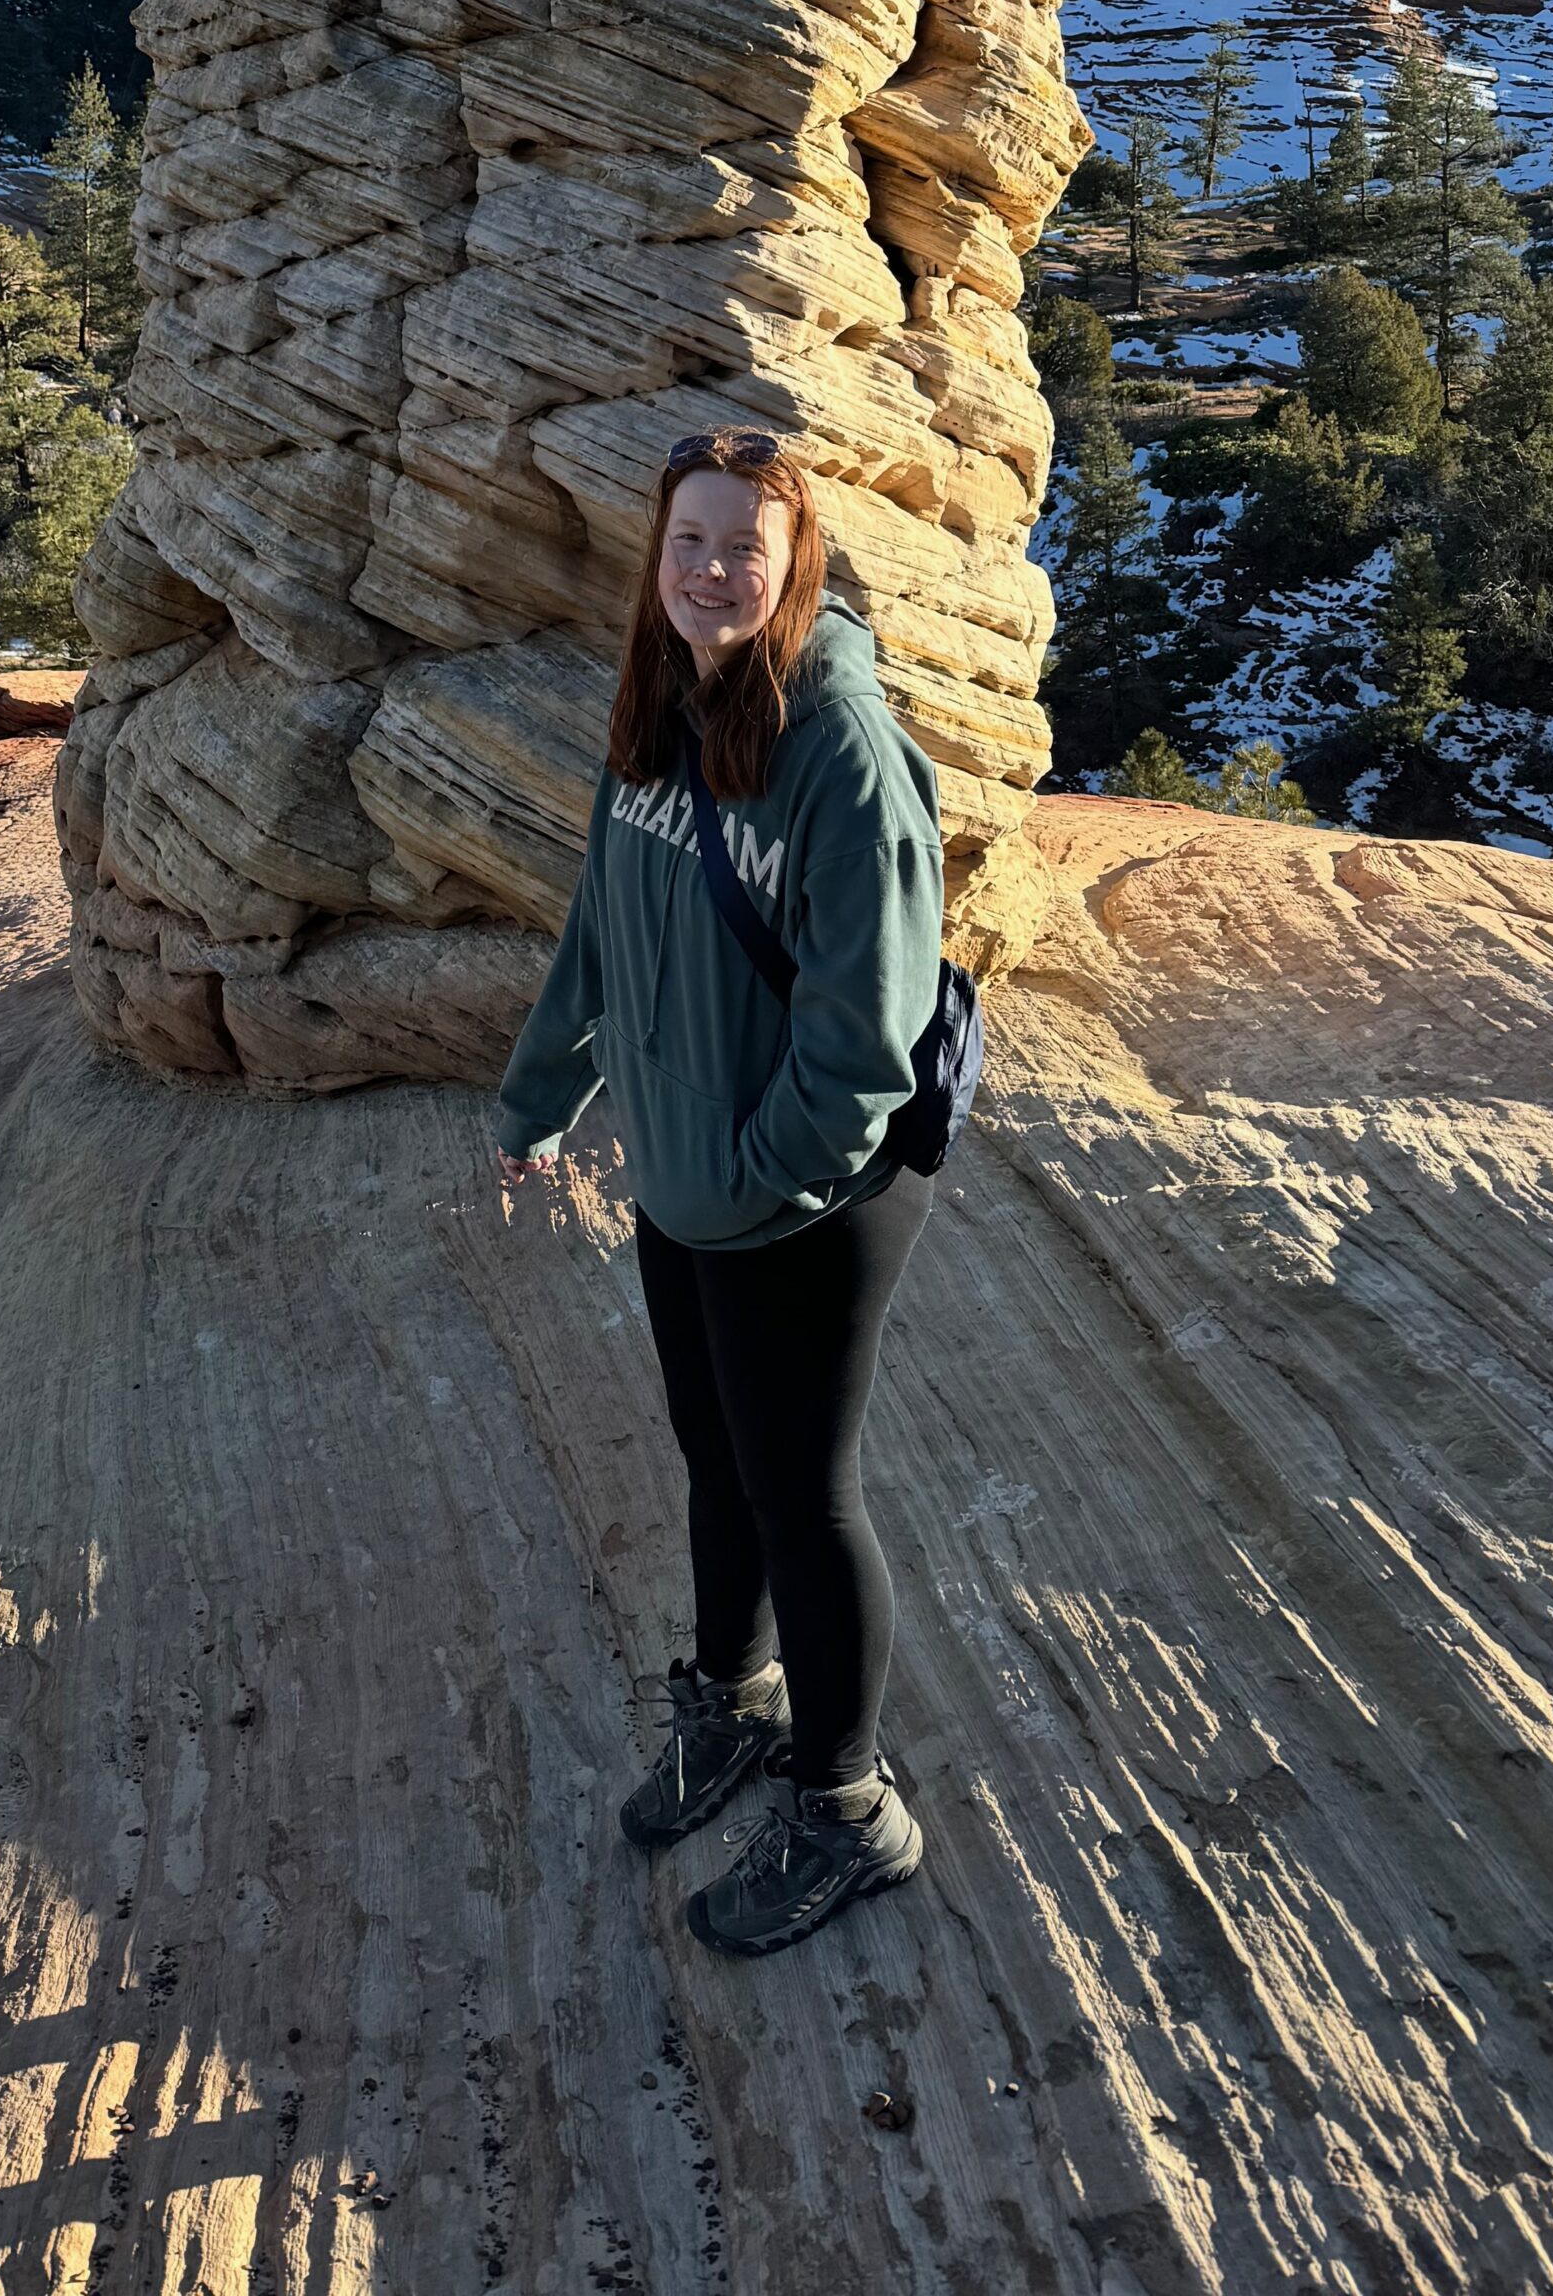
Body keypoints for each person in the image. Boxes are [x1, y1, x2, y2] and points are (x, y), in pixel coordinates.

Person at [495, 426, 945, 1958]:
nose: (709, 570)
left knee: (804, 1497)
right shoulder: (663, 708)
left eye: (743, 545)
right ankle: (734, 1705)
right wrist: (541, 1094)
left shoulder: (843, 753)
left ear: (795, 560)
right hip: (688, 1179)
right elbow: (603, 928)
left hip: (806, 1198)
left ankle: (847, 1807)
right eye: (688, 540)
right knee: (715, 1456)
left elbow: (866, 1044)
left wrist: (754, 1187)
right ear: (657, 554)